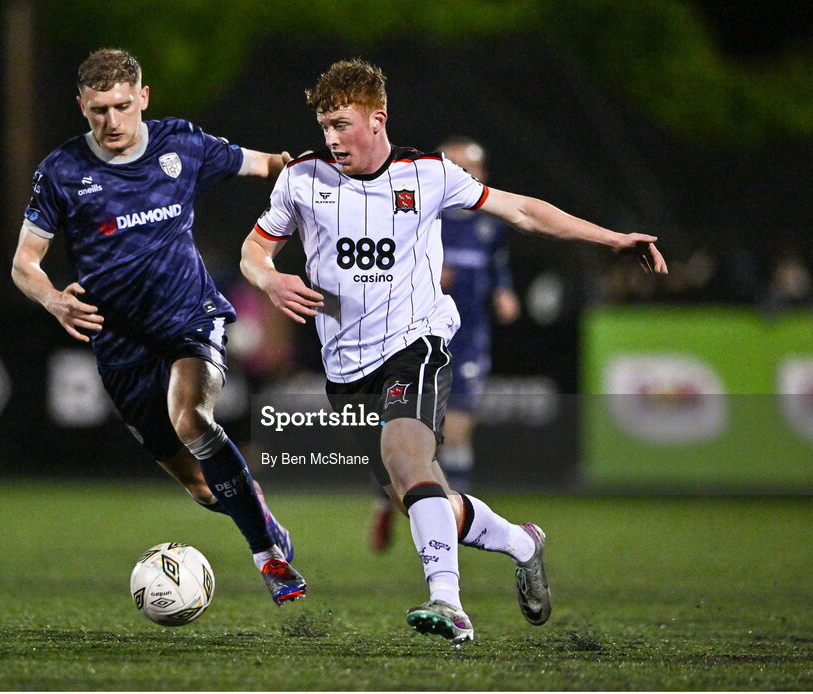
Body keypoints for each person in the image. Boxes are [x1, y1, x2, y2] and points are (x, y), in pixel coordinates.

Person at [240, 59, 666, 643]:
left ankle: (449, 603)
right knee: (417, 492)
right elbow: (253, 250)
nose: (331, 138)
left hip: (417, 343)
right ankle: (522, 541)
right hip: (344, 367)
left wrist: (611, 238)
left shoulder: (428, 174)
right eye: (324, 127)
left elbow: (522, 210)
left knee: (408, 458)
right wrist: (268, 279)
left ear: (376, 119)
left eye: (341, 124)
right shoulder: (302, 179)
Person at [11, 48, 305, 605]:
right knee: (199, 486)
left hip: (190, 317)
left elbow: (269, 164)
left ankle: (267, 557)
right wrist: (53, 299)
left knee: (190, 418)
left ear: (143, 98)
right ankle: (259, 514)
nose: (112, 122)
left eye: (123, 106)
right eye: (99, 110)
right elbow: (24, 263)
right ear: (81, 107)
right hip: (119, 345)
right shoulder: (62, 172)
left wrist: (317, 174)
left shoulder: (181, 145)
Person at [368, 137, 520, 551]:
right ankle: (393, 504)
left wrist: (504, 292)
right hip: (416, 336)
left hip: (469, 338)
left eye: (470, 167)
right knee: (409, 440)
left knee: (456, 432)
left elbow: (497, 266)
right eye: (455, 165)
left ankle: (451, 520)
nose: (463, 174)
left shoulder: (491, 223)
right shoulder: (418, 213)